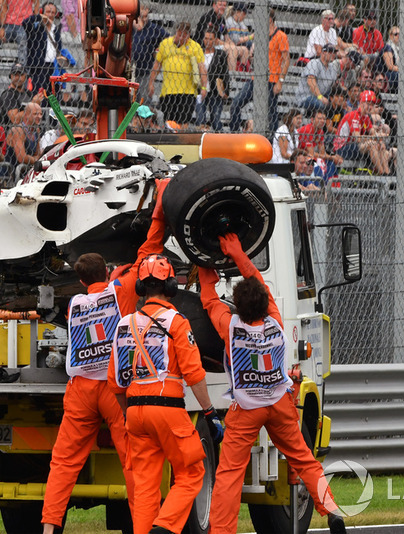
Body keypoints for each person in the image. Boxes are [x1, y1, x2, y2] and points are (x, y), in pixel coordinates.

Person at [40, 179, 170, 534]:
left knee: (64, 462)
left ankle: (50, 527)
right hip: (115, 389)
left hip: (81, 388)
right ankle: (143, 524)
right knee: (132, 461)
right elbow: (147, 254)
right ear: (106, 273)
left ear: (81, 281)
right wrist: (158, 211)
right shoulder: (122, 289)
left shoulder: (75, 305)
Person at [198, 234, 346, 534]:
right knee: (305, 460)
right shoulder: (275, 321)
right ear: (266, 303)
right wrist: (239, 255)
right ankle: (331, 511)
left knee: (228, 475)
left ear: (236, 306)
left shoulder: (230, 326)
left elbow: (209, 299)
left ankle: (221, 532)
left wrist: (204, 265)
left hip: (248, 407)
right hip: (279, 402)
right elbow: (257, 280)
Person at [108, 253, 223, 534]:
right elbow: (194, 374)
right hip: (168, 410)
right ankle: (165, 526)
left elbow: (114, 382)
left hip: (135, 412)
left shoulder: (124, 324)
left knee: (145, 487)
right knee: (193, 472)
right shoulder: (177, 322)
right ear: (171, 286)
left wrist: (128, 414)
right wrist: (209, 413)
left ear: (140, 289)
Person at [228, 9, 288, 134]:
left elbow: (286, 60)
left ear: (270, 19)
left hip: (272, 80)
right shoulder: (260, 34)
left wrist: (280, 81)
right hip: (256, 77)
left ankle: (272, 143)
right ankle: (234, 134)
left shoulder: (281, 36)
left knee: (271, 114)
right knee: (236, 104)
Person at [148, 21, 207, 131]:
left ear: (188, 36)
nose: (181, 38)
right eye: (179, 35)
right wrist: (151, 83)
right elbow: (157, 65)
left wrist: (204, 87)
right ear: (176, 32)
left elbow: (202, 68)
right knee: (170, 122)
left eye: (184, 36)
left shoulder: (195, 47)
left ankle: (180, 139)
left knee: (184, 122)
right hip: (168, 91)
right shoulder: (166, 44)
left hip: (188, 92)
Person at [333, 90, 393, 175]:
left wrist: (380, 140)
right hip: (343, 148)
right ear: (361, 102)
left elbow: (372, 132)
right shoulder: (353, 115)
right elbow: (358, 138)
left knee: (380, 145)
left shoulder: (365, 117)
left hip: (356, 146)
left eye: (372, 104)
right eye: (368, 103)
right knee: (372, 144)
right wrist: (376, 137)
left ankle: (387, 173)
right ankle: (382, 173)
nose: (370, 107)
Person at [0, 0, 38, 82]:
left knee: (23, 53)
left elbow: (36, 6)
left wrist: (34, 25)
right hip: (9, 24)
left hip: (24, 25)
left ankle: (24, 81)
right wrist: (2, 27)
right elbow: (3, 8)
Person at [23, 1, 63, 94]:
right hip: (39, 68)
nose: (50, 15)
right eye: (48, 12)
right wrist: (39, 16)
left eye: (53, 13)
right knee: (40, 95)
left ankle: (53, 108)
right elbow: (25, 24)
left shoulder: (56, 30)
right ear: (43, 12)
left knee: (54, 95)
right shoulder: (36, 29)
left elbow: (59, 47)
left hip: (53, 67)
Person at [131, 6, 168, 105]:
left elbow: (169, 40)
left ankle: (143, 119)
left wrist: (158, 51)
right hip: (128, 71)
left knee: (144, 101)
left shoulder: (153, 29)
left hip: (144, 71)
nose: (143, 20)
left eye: (145, 16)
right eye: (140, 17)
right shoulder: (128, 27)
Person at [195, 28, 230, 132]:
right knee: (200, 118)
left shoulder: (220, 54)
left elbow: (225, 73)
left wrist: (226, 91)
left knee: (215, 120)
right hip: (200, 90)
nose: (208, 41)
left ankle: (220, 140)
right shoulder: (199, 52)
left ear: (215, 40)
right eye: (206, 38)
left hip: (215, 91)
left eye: (210, 39)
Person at [293, 44, 340, 113]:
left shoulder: (332, 67)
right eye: (330, 52)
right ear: (323, 52)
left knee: (337, 105)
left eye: (334, 52)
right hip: (306, 97)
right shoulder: (314, 63)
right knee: (322, 105)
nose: (333, 54)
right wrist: (320, 97)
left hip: (322, 95)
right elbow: (311, 82)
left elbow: (334, 86)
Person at [298, 109, 342, 181]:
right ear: (312, 120)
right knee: (321, 163)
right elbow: (311, 154)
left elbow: (322, 153)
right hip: (301, 156)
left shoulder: (320, 131)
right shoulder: (307, 130)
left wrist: (333, 157)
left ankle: (331, 186)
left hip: (309, 156)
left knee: (331, 164)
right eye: (319, 118)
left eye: (324, 119)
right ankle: (322, 186)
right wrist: (332, 157)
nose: (322, 121)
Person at [223, 3, 252, 71]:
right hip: (228, 45)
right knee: (246, 47)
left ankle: (243, 71)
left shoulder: (241, 23)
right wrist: (251, 37)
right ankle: (239, 74)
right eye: (244, 14)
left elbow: (246, 36)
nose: (245, 16)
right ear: (238, 13)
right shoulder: (230, 22)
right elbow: (236, 41)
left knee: (251, 45)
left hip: (241, 46)